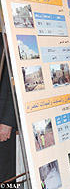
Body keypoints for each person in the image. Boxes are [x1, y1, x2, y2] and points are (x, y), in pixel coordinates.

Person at [0, 37, 17, 184]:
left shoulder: (5, 40)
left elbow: (14, 81)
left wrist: (7, 121)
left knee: (5, 175)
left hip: (1, 123)